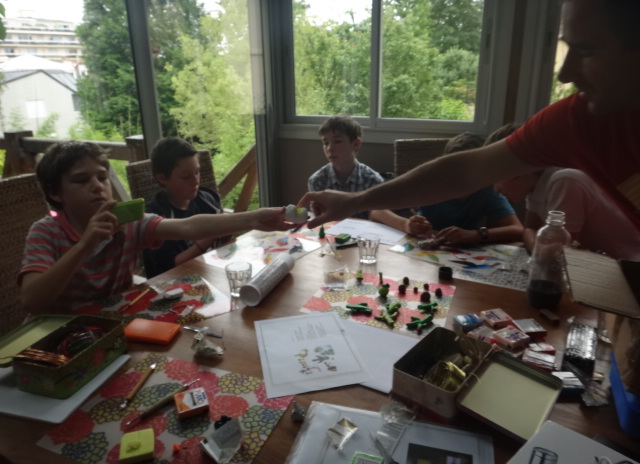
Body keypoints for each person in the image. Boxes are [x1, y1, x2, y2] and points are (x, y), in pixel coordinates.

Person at [298, 0, 640, 254]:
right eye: (567, 47)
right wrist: (353, 201)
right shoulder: (575, 118)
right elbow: (464, 171)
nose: (565, 74)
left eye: (587, 51)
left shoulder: (569, 167)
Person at [19, 141, 293, 314]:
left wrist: (253, 218)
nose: (97, 186)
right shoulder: (45, 232)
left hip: (113, 323)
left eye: (102, 177)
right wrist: (84, 246)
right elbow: (32, 300)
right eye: (81, 180)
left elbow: (188, 227)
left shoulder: (127, 221)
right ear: (55, 193)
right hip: (59, 334)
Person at [492, 123, 640, 260]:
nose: (496, 189)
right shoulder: (534, 185)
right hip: (602, 262)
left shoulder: (564, 180)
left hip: (629, 266)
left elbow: (557, 253)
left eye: (497, 179)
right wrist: (537, 247)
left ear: (518, 170)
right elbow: (530, 229)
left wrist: (537, 246)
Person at [370, 132, 523, 245]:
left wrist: (475, 235)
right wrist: (406, 225)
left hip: (462, 256)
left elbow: (518, 229)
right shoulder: (428, 183)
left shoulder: (487, 189)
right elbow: (377, 211)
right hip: (424, 253)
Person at [143, 137, 228, 278]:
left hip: (210, 275)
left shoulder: (208, 200)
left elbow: (221, 247)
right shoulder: (155, 218)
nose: (196, 181)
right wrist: (207, 240)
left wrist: (227, 233)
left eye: (197, 172)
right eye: (186, 176)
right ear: (162, 178)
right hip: (172, 285)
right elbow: (166, 268)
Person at [308, 114, 395, 220]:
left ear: (356, 144)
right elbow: (319, 218)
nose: (330, 148)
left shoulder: (373, 180)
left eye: (338, 141)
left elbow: (379, 218)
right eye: (325, 143)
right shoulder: (317, 181)